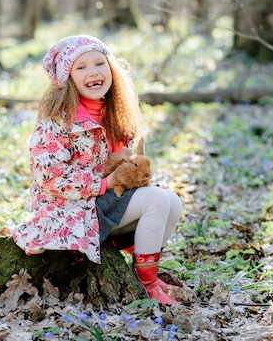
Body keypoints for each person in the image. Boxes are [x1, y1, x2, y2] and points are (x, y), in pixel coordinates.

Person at [12, 35, 183, 304]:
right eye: (81, 67)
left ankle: (148, 272)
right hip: (71, 209)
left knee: (172, 202)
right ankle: (147, 286)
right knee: (158, 200)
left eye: (99, 63)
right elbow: (49, 175)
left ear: (111, 69)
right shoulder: (58, 119)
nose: (93, 72)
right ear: (68, 78)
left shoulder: (114, 112)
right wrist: (102, 184)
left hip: (103, 204)